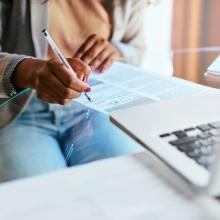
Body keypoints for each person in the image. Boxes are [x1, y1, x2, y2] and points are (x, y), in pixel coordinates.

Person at [0, 0, 147, 182]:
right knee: (40, 197)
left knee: (130, 182)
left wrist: (115, 51)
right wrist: (30, 71)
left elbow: (138, 48)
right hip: (19, 110)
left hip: (95, 107)